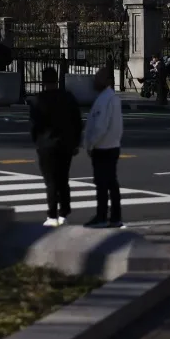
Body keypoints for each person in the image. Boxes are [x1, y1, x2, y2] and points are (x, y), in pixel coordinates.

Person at [28, 65, 83, 226]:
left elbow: (34, 126)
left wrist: (37, 142)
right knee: (63, 179)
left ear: (43, 82)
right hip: (65, 144)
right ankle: (64, 212)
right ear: (57, 80)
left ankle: (52, 214)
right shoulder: (68, 97)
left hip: (46, 144)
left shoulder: (37, 100)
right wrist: (75, 142)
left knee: (51, 181)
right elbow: (77, 122)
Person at [85, 66, 124, 227]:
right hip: (112, 145)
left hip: (103, 147)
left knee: (102, 184)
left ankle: (102, 216)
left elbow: (101, 126)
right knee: (111, 183)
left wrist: (90, 144)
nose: (95, 80)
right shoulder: (110, 98)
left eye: (99, 77)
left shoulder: (105, 99)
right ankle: (115, 217)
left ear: (107, 81)